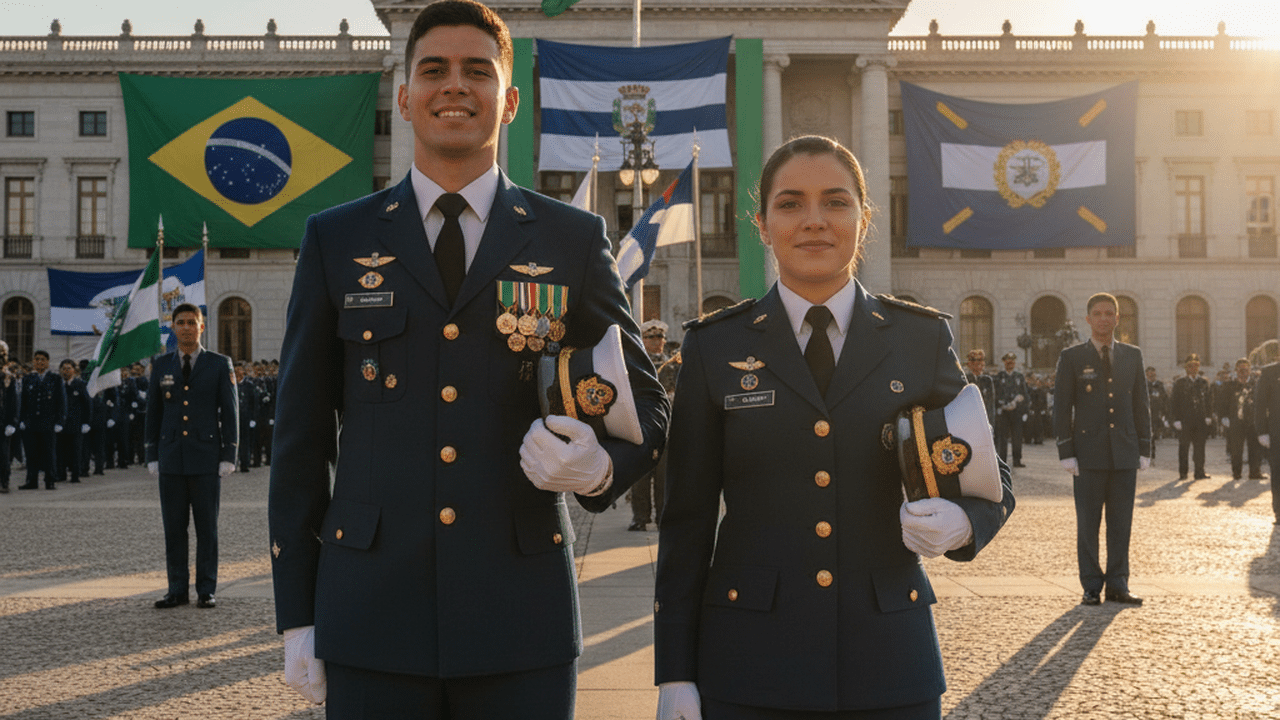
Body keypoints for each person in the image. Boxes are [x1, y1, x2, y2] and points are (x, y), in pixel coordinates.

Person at [267, 2, 670, 717]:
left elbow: (648, 405)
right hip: (369, 612)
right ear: (404, 95)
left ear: (508, 99)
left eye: (477, 72)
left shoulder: (571, 239)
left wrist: (602, 469)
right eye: (435, 70)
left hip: (521, 618)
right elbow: (299, 440)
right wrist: (298, 609)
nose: (455, 86)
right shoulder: (335, 238)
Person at [653, 135, 1015, 720]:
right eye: (791, 203)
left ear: (864, 219)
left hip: (890, 663)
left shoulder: (920, 340)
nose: (814, 221)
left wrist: (963, 523)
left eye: (837, 202)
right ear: (763, 224)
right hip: (749, 665)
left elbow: (989, 479)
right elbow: (687, 520)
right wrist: (674, 671)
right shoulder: (715, 347)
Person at [1053, 292, 1151, 606]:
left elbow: (1141, 405)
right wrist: (1066, 450)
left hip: (1124, 452)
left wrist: (1144, 447)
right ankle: (1092, 585)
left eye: (1110, 313)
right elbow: (1061, 407)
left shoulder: (1132, 355)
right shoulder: (1072, 357)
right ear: (1088, 319)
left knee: (1121, 523)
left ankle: (1118, 584)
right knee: (1088, 523)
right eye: (1098, 313)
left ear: (1118, 318)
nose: (1104, 319)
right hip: (1088, 453)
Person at [145, 303, 238, 610]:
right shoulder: (160, 365)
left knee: (206, 528)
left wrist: (229, 454)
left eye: (191, 322)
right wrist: (151, 453)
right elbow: (153, 413)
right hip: (171, 456)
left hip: (206, 457)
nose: (186, 327)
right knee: (174, 528)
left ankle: (206, 589)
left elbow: (230, 411)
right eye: (180, 322)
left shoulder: (218, 363)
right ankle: (176, 589)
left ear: (202, 327)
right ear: (173, 327)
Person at [630, 319, 675, 531]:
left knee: (663, 477)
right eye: (651, 338)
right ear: (643, 340)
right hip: (642, 426)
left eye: (660, 337)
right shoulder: (635, 363)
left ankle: (662, 517)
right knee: (640, 475)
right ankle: (640, 517)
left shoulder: (674, 363)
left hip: (666, 426)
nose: (657, 342)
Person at [18, 350, 66, 490]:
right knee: (31, 453)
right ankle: (31, 481)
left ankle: (50, 480)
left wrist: (59, 421)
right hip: (31, 423)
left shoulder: (55, 379)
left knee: (48, 453)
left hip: (48, 422)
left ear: (47, 362)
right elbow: (23, 402)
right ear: (33, 361)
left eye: (43, 359)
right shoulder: (28, 379)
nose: (39, 362)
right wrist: (21, 420)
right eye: (37, 359)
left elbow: (61, 402)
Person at [1218, 358, 1264, 481]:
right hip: (1235, 421)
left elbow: (1262, 402)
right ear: (1236, 371)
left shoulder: (1256, 384)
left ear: (1249, 370)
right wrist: (1223, 417)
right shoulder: (1229, 385)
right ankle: (1236, 473)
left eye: (1245, 370)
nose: (1243, 373)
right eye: (1240, 370)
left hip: (1252, 421)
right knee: (1236, 449)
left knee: (1254, 448)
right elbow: (1222, 403)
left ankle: (1255, 472)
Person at [1171, 353, 1213, 481]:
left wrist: (1209, 415)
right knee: (1184, 447)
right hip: (1185, 420)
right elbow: (1174, 402)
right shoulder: (1180, 382)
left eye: (1196, 366)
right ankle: (1183, 473)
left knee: (1200, 448)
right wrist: (1175, 419)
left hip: (1200, 420)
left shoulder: (1204, 382)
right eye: (1190, 366)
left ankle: (1199, 472)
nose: (1193, 368)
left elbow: (1209, 400)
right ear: (1186, 367)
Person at [1253, 353, 1280, 524]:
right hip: (1277, 431)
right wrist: (1262, 431)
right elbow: (1260, 404)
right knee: (1278, 472)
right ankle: (1279, 511)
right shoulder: (1270, 372)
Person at [55, 359, 91, 485]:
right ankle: (61, 474)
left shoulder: (79, 384)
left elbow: (87, 404)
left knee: (76, 451)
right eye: (63, 369)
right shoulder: (58, 384)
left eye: (68, 368)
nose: (66, 371)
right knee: (60, 451)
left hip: (76, 424)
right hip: (61, 424)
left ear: (74, 370)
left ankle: (75, 475)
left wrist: (86, 422)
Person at [994, 352, 1028, 468]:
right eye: (1008, 362)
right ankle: (1002, 461)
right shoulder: (999, 376)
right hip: (1003, 411)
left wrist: (1020, 403)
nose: (1010, 364)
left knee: (1017, 437)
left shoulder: (1019, 377)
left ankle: (1017, 460)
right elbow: (996, 394)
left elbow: (1024, 394)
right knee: (1002, 438)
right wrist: (1002, 404)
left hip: (1016, 411)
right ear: (1004, 363)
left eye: (1012, 362)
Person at [234, 362, 259, 473]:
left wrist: (253, 418)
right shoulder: (231, 384)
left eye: (239, 370)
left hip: (246, 417)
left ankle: (245, 463)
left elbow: (254, 403)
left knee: (245, 441)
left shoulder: (249, 385)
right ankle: (234, 463)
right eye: (235, 370)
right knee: (233, 442)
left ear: (243, 371)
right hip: (234, 417)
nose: (237, 372)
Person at [964, 348, 996, 427]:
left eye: (982, 360)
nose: (980, 363)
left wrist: (990, 423)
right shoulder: (965, 379)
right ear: (970, 364)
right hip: (969, 419)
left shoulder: (987, 380)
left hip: (984, 419)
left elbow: (990, 404)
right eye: (976, 360)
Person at [0, 341, 14, 492]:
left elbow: (12, 401)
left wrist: (12, 422)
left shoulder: (8, 377)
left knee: (3, 454)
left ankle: (4, 481)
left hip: (3, 422)